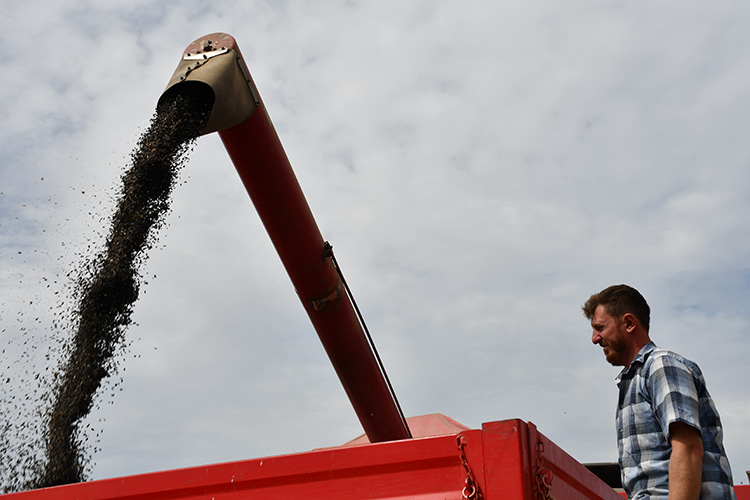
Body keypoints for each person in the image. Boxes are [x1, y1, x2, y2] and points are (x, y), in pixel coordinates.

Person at [582, 284, 736, 500]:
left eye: (600, 327)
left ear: (628, 323)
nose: (594, 338)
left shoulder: (661, 365)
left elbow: (688, 448)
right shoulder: (633, 381)